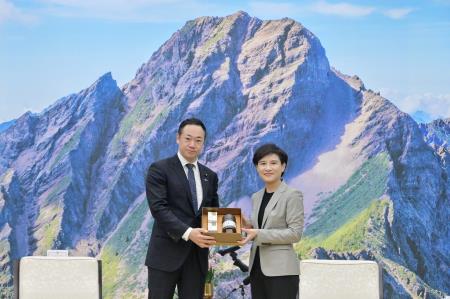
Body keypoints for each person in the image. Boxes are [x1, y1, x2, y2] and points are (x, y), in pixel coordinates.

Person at [145, 118, 219, 299]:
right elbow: (158, 209)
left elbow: (212, 212)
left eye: (198, 140)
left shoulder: (210, 175)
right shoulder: (159, 169)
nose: (193, 144)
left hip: (197, 257)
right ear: (178, 138)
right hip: (165, 255)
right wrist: (188, 233)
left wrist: (230, 232)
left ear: (203, 142)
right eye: (188, 138)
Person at [238, 143, 304, 299]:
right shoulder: (256, 197)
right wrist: (245, 224)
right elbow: (260, 228)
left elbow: (295, 234)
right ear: (257, 168)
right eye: (262, 164)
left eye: (273, 163)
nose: (268, 168)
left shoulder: (292, 195)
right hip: (257, 269)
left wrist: (258, 233)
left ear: (283, 167)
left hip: (282, 271)